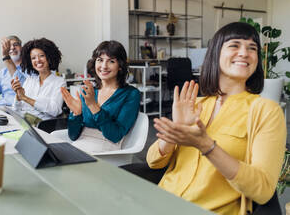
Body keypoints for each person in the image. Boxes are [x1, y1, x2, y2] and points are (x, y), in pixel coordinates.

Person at [146, 22, 286, 215]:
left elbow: (262, 190)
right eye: (234, 45)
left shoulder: (266, 111)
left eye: (252, 48)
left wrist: (207, 146)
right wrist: (175, 129)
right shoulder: (195, 104)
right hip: (158, 204)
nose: (245, 53)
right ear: (215, 54)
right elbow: (154, 161)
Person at [60, 40, 141, 153]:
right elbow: (73, 136)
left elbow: (115, 135)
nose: (104, 66)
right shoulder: (89, 91)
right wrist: (76, 115)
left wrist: (93, 106)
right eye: (100, 60)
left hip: (106, 149)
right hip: (80, 144)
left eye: (111, 61)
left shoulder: (131, 94)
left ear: (120, 66)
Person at [10, 37, 65, 123]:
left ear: (49, 57)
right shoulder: (30, 80)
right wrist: (18, 96)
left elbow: (55, 110)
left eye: (41, 56)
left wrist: (26, 98)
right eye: (33, 58)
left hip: (44, 127)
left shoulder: (59, 82)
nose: (38, 60)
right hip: (25, 124)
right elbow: (16, 110)